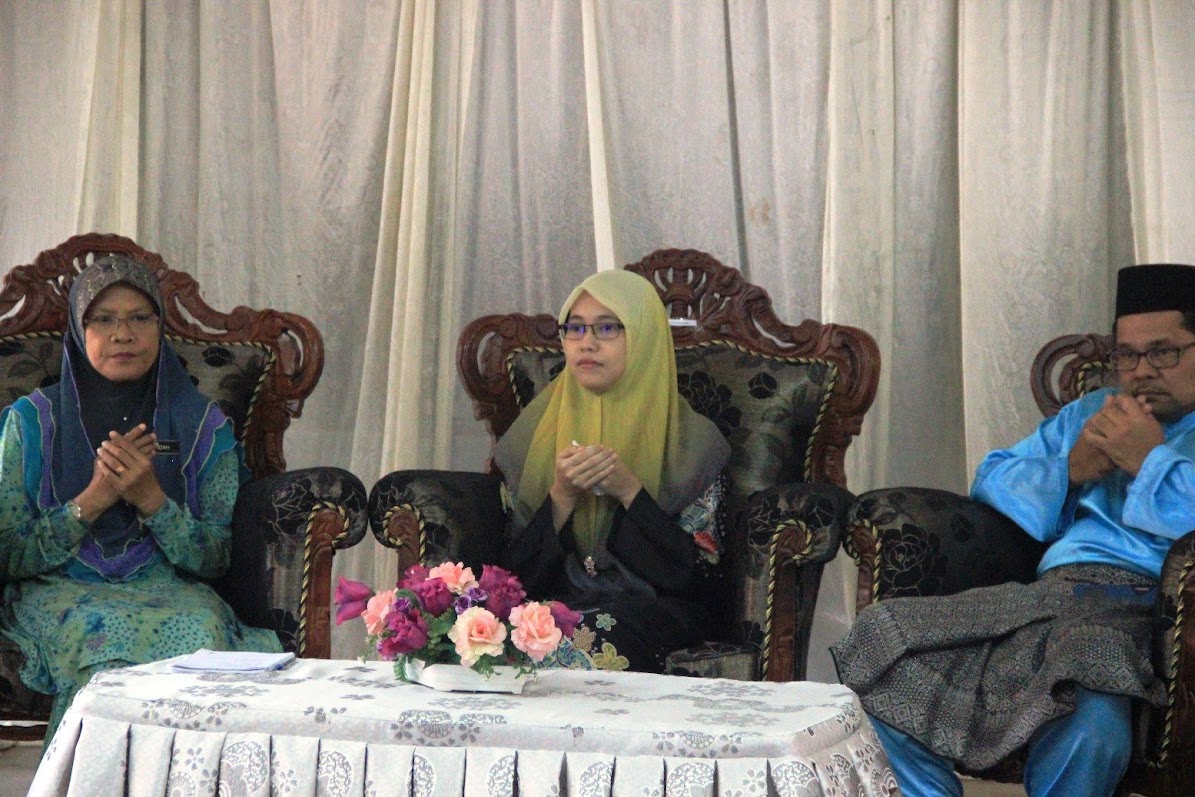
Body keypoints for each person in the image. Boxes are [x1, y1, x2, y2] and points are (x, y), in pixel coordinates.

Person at [831, 263, 1195, 796]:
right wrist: (1071, 469)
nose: (1141, 372)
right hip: (1051, 598)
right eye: (1126, 355)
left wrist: (1150, 461)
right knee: (882, 644)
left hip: (1147, 607)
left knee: (1091, 718)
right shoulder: (1093, 412)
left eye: (1163, 353)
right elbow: (993, 478)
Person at [0, 255, 281, 740]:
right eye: (103, 319)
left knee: (202, 633)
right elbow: (7, 554)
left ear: (159, 326)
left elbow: (216, 558)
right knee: (100, 636)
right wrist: (93, 499)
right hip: (61, 590)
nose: (123, 334)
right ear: (78, 330)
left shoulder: (203, 427)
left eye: (139, 318)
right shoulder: (29, 424)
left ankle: (192, 777)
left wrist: (152, 500)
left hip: (171, 589)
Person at [492, 269, 730, 672]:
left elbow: (701, 580)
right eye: (575, 328)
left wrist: (630, 492)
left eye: (607, 328)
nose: (587, 342)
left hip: (653, 607)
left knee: (589, 636)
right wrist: (561, 497)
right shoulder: (529, 435)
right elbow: (508, 577)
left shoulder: (694, 444)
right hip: (556, 598)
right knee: (486, 633)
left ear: (644, 338)